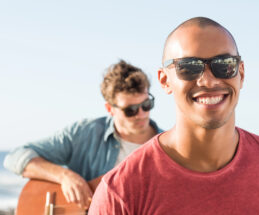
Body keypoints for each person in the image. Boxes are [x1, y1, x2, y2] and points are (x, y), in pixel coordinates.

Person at [88, 17, 259, 214]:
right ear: (165, 80)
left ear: (240, 74)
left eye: (224, 65)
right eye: (189, 67)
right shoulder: (121, 192)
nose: (208, 80)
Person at [4, 60, 163, 209]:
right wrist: (64, 176)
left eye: (146, 105)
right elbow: (15, 158)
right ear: (110, 109)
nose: (141, 114)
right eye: (130, 110)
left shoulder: (170, 147)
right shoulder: (85, 133)